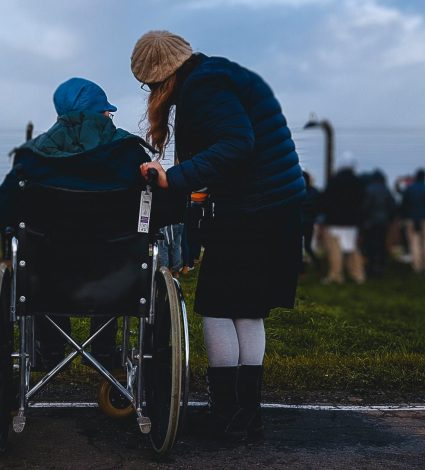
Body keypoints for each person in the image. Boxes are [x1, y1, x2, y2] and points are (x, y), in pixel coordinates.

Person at [132, 30, 305, 440]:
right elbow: (235, 147)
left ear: (162, 77)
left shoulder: (204, 87)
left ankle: (226, 412)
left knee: (216, 306)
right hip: (275, 207)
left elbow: (236, 143)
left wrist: (173, 178)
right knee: (246, 309)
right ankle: (246, 414)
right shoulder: (219, 75)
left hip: (253, 210)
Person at [0, 77, 179, 371]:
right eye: (108, 112)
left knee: (40, 258)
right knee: (112, 256)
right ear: (102, 114)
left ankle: (50, 350)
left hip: (46, 281)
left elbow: (2, 211)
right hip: (116, 280)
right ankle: (104, 352)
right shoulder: (130, 155)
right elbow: (164, 212)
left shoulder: (32, 158)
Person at [319, 155, 366, 284]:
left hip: (335, 221)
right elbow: (362, 202)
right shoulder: (358, 182)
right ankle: (358, 274)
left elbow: (326, 201)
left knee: (335, 249)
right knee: (352, 248)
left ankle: (336, 275)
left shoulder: (334, 180)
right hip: (352, 222)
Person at [361, 169, 396, 277]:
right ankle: (381, 266)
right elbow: (392, 206)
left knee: (370, 245)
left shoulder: (368, 189)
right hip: (383, 222)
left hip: (370, 223)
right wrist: (390, 218)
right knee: (381, 245)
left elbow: (365, 206)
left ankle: (371, 267)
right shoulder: (386, 190)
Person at [400, 168, 425, 273]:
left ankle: (417, 266)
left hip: (411, 219)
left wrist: (405, 217)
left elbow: (404, 204)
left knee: (414, 243)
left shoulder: (409, 189)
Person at [301, 171, 321, 272]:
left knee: (296, 246)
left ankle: (301, 267)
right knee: (308, 246)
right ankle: (318, 265)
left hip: (298, 222)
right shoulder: (314, 192)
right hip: (309, 222)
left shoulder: (297, 191)